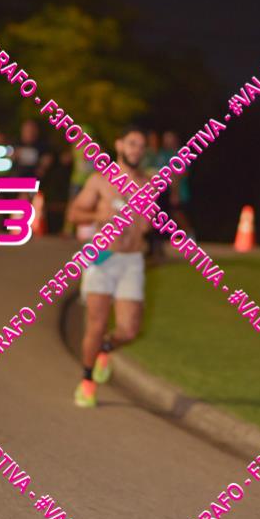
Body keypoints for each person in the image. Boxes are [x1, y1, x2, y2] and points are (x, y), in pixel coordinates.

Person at [66, 126, 150, 408]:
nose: (136, 150)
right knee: (97, 323)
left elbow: (147, 224)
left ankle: (105, 348)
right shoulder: (101, 180)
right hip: (103, 258)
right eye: (132, 143)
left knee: (129, 330)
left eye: (141, 145)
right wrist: (98, 214)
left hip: (132, 260)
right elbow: (74, 213)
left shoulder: (147, 183)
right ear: (119, 144)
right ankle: (87, 381)